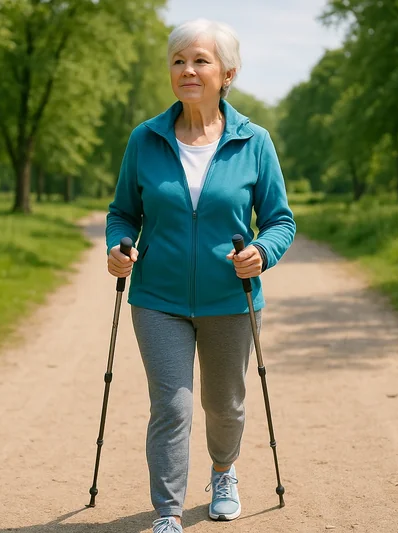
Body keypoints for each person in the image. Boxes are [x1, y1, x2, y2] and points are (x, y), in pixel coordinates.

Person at [105, 18, 296, 533]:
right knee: (172, 406)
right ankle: (167, 512)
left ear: (227, 74)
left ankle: (223, 471)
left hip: (230, 298)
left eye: (200, 61)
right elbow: (122, 213)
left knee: (225, 405)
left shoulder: (254, 141)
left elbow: (280, 220)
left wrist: (261, 252)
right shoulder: (145, 139)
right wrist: (118, 247)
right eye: (178, 61)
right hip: (157, 298)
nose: (187, 70)